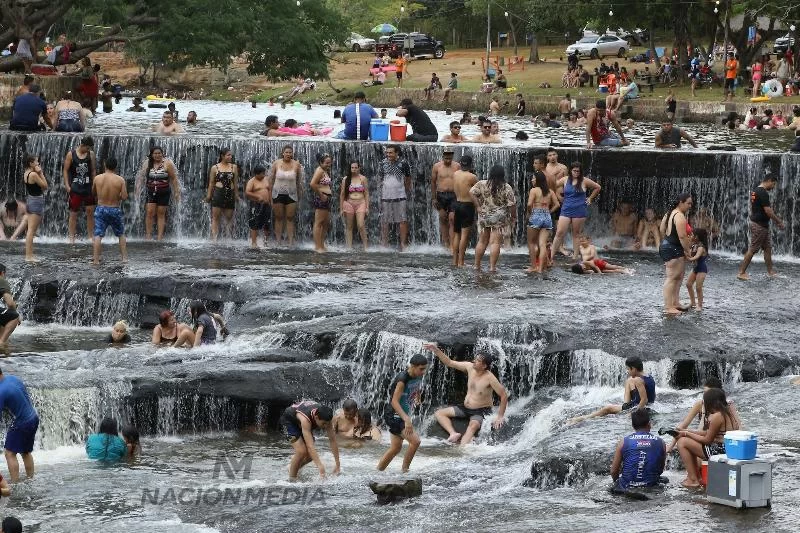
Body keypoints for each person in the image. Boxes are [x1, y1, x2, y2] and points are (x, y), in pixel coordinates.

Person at [425, 343, 508, 445]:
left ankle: (461, 450)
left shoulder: (490, 378)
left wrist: (500, 417)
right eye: (475, 359)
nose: (474, 361)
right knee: (439, 413)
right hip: (465, 408)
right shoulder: (469, 367)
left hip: (480, 411)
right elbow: (449, 362)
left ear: (484, 366)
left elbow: (503, 395)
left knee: (472, 426)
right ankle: (453, 433)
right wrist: (436, 350)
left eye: (477, 361)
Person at [674, 388, 740, 488]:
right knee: (685, 440)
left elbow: (707, 440)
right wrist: (687, 431)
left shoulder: (716, 416)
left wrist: (685, 435)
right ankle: (697, 477)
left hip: (719, 451)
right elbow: (709, 433)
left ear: (710, 403)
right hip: (728, 449)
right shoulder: (728, 412)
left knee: (682, 442)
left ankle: (693, 479)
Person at [377, 354, 428, 473]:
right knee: (415, 442)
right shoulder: (402, 379)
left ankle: (378, 471)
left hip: (402, 415)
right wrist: (406, 419)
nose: (423, 371)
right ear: (413, 366)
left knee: (395, 448)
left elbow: (417, 387)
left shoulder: (418, 375)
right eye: (421, 369)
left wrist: (418, 397)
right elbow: (394, 401)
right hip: (395, 415)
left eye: (425, 368)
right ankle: (405, 471)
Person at [567, 357, 655, 425]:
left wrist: (633, 414)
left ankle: (583, 418)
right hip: (647, 405)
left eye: (628, 369)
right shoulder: (649, 376)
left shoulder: (638, 380)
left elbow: (644, 400)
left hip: (638, 407)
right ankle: (625, 404)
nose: (627, 371)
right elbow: (651, 395)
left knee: (607, 408)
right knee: (629, 380)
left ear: (634, 369)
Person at [666, 377, 740, 451]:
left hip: (717, 442)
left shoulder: (727, 406)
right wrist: (670, 446)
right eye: (704, 392)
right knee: (684, 439)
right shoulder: (700, 404)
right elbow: (684, 424)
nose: (705, 396)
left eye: (708, 393)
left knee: (684, 441)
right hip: (704, 436)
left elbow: (738, 426)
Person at [470, 165, 517, 273]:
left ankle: (476, 265)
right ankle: (492, 267)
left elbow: (471, 192)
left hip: (484, 215)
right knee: (495, 243)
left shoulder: (482, 183)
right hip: (499, 217)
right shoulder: (506, 187)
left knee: (482, 241)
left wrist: (477, 206)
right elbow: (512, 204)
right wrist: (513, 217)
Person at [550, 162, 600, 261]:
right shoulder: (565, 179)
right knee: (559, 232)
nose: (576, 173)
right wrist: (558, 195)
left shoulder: (584, 180)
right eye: (574, 171)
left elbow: (597, 187)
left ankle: (575, 256)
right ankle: (551, 256)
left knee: (576, 234)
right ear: (570, 171)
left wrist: (590, 198)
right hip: (566, 209)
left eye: (578, 171)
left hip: (579, 209)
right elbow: (553, 185)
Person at [738, 174, 784, 280]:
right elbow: (768, 210)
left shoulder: (756, 190)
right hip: (759, 226)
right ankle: (741, 272)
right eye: (773, 184)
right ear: (769, 180)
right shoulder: (763, 192)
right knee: (753, 249)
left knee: (767, 248)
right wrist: (778, 221)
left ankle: (770, 272)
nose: (773, 187)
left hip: (762, 225)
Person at [281, 401, 340, 480]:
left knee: (310, 456)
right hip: (288, 422)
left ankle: (291, 467)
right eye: (323, 423)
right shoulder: (306, 420)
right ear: (316, 417)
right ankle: (292, 479)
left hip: (301, 423)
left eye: (327, 423)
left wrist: (337, 464)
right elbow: (310, 446)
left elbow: (333, 441)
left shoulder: (327, 418)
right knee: (301, 451)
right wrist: (320, 467)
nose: (325, 426)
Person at [610, 409, 666, 492]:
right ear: (649, 424)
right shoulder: (661, 442)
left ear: (633, 426)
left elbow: (614, 471)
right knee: (664, 480)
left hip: (627, 486)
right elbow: (660, 469)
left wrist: (616, 482)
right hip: (651, 485)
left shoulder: (623, 442)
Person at [0, 366, 39, 481]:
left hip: (23, 423)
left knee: (9, 453)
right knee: (25, 452)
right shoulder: (13, 378)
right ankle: (30, 479)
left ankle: (15, 484)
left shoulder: (1, 391)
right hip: (34, 417)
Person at [136, 146, 180, 241]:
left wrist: (177, 192)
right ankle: (148, 236)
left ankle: (160, 237)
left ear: (162, 154)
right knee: (149, 213)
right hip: (151, 192)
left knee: (161, 214)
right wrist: (138, 188)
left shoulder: (167, 164)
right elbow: (141, 177)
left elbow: (174, 178)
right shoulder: (147, 163)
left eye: (159, 153)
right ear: (151, 155)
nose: (157, 155)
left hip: (164, 192)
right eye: (155, 153)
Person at [659, 193, 693, 315]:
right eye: (688, 203)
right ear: (680, 202)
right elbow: (682, 236)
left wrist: (668, 241)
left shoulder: (669, 213)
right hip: (673, 248)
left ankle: (675, 303)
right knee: (672, 277)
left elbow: (662, 230)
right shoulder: (679, 216)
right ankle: (668, 307)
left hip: (670, 246)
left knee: (678, 276)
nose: (690, 206)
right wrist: (688, 251)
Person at [90, 158, 128, 264]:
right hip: (114, 209)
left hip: (101, 208)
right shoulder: (120, 180)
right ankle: (124, 259)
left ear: (105, 164)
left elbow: (93, 192)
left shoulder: (97, 178)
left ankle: (96, 260)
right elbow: (124, 196)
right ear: (115, 167)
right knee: (121, 234)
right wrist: (117, 195)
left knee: (98, 235)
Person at [526, 161, 560, 274]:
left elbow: (529, 204)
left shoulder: (534, 190)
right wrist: (549, 212)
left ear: (538, 180)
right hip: (547, 217)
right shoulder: (549, 191)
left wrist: (531, 213)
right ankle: (541, 268)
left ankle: (533, 266)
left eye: (533, 178)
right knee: (542, 244)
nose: (532, 180)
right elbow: (557, 205)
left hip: (536, 215)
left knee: (531, 243)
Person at [63, 136, 97, 244]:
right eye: (87, 148)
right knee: (73, 213)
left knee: (90, 212)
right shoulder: (71, 154)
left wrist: (94, 185)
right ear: (82, 145)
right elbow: (65, 170)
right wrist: (67, 185)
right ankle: (71, 238)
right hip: (76, 187)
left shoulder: (90, 154)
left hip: (88, 187)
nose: (89, 150)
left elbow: (93, 170)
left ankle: (91, 236)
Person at [269, 145, 304, 246]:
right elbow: (271, 179)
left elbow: (299, 181)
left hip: (292, 194)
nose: (288, 154)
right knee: (279, 217)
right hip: (277, 193)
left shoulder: (297, 165)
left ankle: (290, 241)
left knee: (290, 218)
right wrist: (269, 194)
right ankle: (278, 241)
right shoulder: (276, 163)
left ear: (292, 154)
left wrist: (300, 192)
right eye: (287, 152)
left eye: (290, 152)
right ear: (283, 153)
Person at [378, 145, 412, 250]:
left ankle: (403, 244)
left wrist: (405, 191)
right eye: (387, 153)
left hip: (400, 196)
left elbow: (408, 179)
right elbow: (380, 178)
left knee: (402, 220)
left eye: (391, 153)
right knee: (385, 221)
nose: (388, 155)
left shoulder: (404, 164)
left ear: (397, 153)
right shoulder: (382, 164)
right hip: (386, 196)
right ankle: (384, 244)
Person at [450, 155, 478, 268]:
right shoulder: (472, 177)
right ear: (471, 164)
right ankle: (461, 262)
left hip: (457, 204)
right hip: (467, 206)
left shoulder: (455, 174)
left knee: (456, 234)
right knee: (464, 235)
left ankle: (454, 261)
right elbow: (477, 192)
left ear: (461, 164)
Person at [205, 148, 239, 241]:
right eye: (228, 155)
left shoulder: (234, 167)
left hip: (230, 193)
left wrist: (236, 195)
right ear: (222, 156)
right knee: (215, 218)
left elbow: (235, 183)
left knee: (229, 218)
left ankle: (228, 239)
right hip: (218, 193)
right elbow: (211, 183)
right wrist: (208, 196)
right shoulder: (215, 167)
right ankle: (214, 240)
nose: (230, 157)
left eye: (231, 155)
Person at [431, 150, 460, 249]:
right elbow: (433, 182)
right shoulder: (436, 166)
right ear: (442, 157)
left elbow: (461, 181)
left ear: (452, 157)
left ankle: (452, 245)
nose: (448, 160)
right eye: (446, 158)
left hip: (454, 195)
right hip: (441, 195)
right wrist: (434, 198)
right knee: (443, 218)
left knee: (452, 219)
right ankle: (445, 244)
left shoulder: (457, 166)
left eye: (450, 158)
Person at [340, 161, 370, 250]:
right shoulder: (346, 179)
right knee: (349, 227)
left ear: (359, 168)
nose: (354, 169)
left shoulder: (363, 178)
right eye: (352, 168)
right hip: (349, 203)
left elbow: (367, 193)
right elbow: (342, 194)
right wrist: (341, 208)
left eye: (355, 167)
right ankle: (349, 247)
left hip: (361, 203)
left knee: (361, 225)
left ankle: (366, 247)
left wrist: (367, 207)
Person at [309, 153, 334, 253]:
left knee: (326, 223)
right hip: (322, 198)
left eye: (330, 163)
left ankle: (322, 244)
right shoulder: (319, 171)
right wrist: (321, 195)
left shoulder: (324, 171)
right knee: (318, 223)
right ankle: (318, 246)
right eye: (326, 163)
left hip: (326, 198)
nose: (329, 164)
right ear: (320, 162)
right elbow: (312, 184)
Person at [245, 165, 272, 249]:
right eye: (262, 173)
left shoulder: (266, 179)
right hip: (256, 205)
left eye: (264, 173)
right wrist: (257, 197)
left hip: (267, 204)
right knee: (255, 223)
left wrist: (271, 201)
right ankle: (254, 243)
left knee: (267, 223)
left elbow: (270, 190)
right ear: (257, 174)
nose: (264, 175)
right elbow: (247, 192)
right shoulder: (252, 181)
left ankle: (266, 242)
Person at [686, 228, 708, 311]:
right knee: (688, 284)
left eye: (692, 235)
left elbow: (696, 257)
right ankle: (692, 302)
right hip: (695, 268)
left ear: (697, 237)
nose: (690, 236)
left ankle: (700, 305)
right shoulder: (693, 245)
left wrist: (688, 258)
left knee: (698, 287)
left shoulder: (701, 247)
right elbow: (689, 254)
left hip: (702, 269)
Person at [0, 265, 21, 348]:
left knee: (3, 316)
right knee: (13, 316)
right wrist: (15, 312)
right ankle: (1, 343)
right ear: (2, 273)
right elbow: (10, 303)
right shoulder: (2, 281)